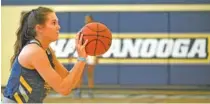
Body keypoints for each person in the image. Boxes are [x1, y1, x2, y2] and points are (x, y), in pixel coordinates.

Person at [2, 7, 88, 103]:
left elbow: (69, 81)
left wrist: (82, 57)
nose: (59, 27)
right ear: (39, 28)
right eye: (54, 23)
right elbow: (64, 89)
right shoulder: (34, 51)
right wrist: (81, 59)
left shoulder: (46, 50)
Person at [73, 15, 98, 98]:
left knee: (90, 74)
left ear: (91, 20)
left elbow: (98, 44)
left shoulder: (96, 31)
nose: (86, 21)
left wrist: (97, 56)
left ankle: (90, 92)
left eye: (88, 19)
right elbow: (79, 42)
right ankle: (78, 91)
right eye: (85, 19)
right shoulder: (82, 30)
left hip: (92, 54)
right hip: (83, 52)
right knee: (80, 73)